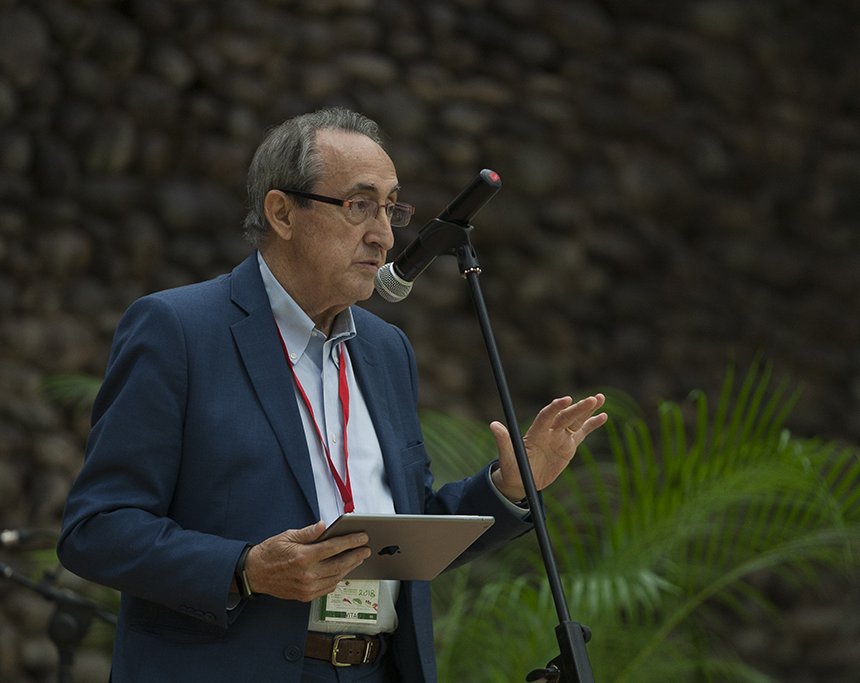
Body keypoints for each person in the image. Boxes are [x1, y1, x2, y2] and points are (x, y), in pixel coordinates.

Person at [57, 108, 607, 682]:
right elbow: (97, 529)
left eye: (392, 208)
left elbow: (403, 534)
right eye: (359, 205)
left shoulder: (385, 349)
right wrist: (244, 569)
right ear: (282, 212)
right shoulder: (180, 330)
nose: (385, 234)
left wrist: (508, 489)